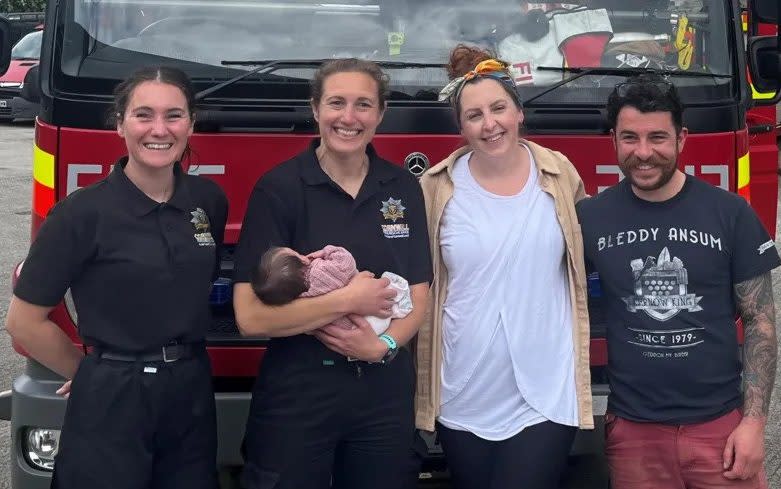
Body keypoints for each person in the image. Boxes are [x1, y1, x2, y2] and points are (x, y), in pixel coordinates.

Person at [5, 66, 228, 489]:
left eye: (174, 115)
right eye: (143, 115)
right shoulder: (80, 213)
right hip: (111, 397)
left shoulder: (207, 202)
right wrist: (90, 374)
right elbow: (24, 321)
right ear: (120, 124)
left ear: (191, 124)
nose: (159, 129)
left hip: (190, 390)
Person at [232, 58, 432, 489]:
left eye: (363, 105)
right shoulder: (279, 189)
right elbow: (249, 317)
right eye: (336, 103)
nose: (349, 117)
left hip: (383, 393)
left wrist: (383, 345)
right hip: (300, 391)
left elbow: (420, 294)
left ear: (380, 114)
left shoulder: (402, 187)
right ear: (315, 108)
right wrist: (346, 301)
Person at [576, 74, 778, 489]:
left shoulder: (730, 212)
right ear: (613, 139)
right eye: (630, 138)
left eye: (658, 138)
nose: (644, 153)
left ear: (681, 139)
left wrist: (754, 424)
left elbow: (761, 321)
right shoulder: (591, 218)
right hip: (634, 434)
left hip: (720, 429)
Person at [415, 44, 594, 489]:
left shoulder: (559, 173)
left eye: (499, 108)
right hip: (462, 387)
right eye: (474, 115)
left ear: (519, 113)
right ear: (460, 126)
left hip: (546, 387)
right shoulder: (434, 187)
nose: (489, 124)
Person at [251, 245, 412, 334]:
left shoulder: (301, 298)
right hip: (373, 318)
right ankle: (399, 307)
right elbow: (347, 262)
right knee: (389, 283)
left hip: (351, 329)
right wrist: (328, 251)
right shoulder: (320, 270)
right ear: (300, 259)